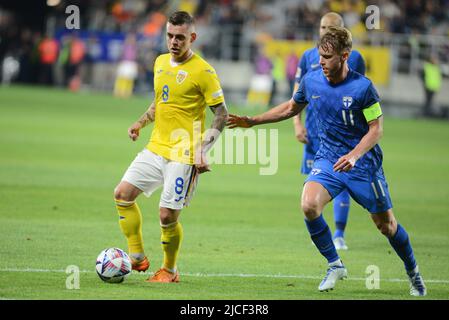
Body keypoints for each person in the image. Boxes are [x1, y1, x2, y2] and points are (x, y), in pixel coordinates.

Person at [227, 26, 426, 296]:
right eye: (320, 55)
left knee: (386, 226)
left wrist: (355, 155)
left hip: (363, 166)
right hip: (328, 159)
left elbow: (376, 129)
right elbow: (290, 108)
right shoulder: (311, 80)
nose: (321, 61)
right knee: (309, 205)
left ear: (345, 56)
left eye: (328, 57)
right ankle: (335, 264)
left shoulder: (363, 88)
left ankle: (413, 272)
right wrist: (253, 121)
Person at [113, 11, 228, 283]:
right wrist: (141, 122)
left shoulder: (204, 71)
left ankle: (170, 270)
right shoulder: (160, 62)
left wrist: (204, 148)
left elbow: (222, 114)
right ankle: (138, 257)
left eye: (180, 37)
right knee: (122, 194)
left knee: (166, 215)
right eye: (170, 36)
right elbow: (160, 102)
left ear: (192, 37)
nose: (174, 42)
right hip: (156, 147)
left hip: (185, 153)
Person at [293, 12, 366, 251]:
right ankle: (321, 232)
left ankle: (339, 233)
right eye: (322, 26)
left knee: (340, 180)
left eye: (330, 28)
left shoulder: (354, 59)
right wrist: (297, 124)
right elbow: (297, 95)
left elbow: (359, 94)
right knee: (314, 184)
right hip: (314, 133)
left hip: (340, 134)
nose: (324, 31)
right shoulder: (307, 57)